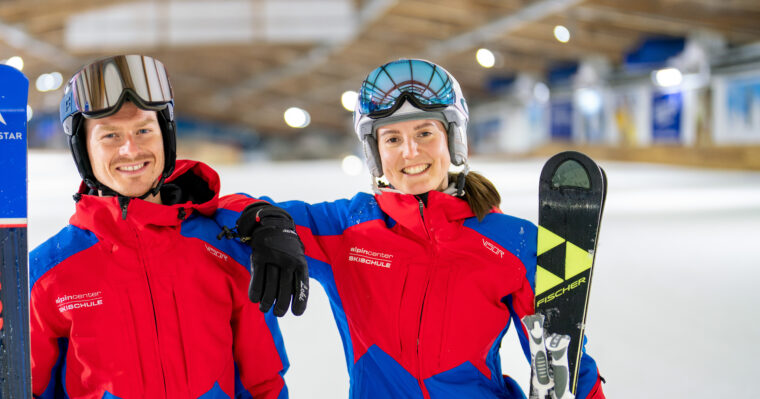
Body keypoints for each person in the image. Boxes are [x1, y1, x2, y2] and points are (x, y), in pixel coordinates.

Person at [222, 59, 605, 398]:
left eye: (425, 133)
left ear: (452, 139)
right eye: (392, 139)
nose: (410, 152)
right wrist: (265, 220)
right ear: (375, 153)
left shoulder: (514, 241)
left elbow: (568, 359)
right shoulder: (344, 228)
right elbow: (223, 214)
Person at [27, 54, 307, 399]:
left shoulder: (227, 251)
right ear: (83, 149)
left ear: (166, 136)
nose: (131, 149)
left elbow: (263, 382)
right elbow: (20, 385)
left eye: (144, 130)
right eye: (110, 135)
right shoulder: (47, 273)